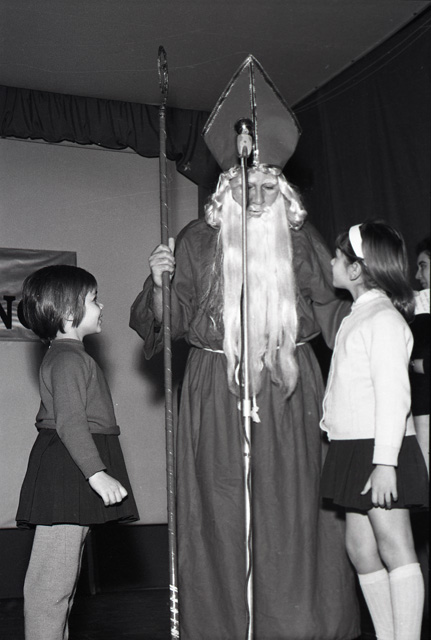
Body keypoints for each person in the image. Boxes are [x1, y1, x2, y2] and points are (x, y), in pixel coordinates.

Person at [16, 265, 139, 640]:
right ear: (69, 311)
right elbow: (71, 423)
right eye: (94, 299)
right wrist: (96, 473)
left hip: (73, 470)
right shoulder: (68, 359)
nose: (101, 307)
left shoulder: (71, 356)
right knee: (51, 586)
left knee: (62, 585)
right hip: (69, 473)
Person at [320, 221, 429, 640]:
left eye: (337, 256)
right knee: (360, 548)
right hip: (353, 446)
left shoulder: (383, 319)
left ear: (355, 269)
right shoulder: (359, 314)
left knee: (394, 543)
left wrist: (386, 463)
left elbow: (394, 395)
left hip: (380, 448)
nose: (331, 262)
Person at [410, 236, 430, 473]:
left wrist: (421, 364)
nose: (417, 275)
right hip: (421, 408)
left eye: (423, 266)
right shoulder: (420, 302)